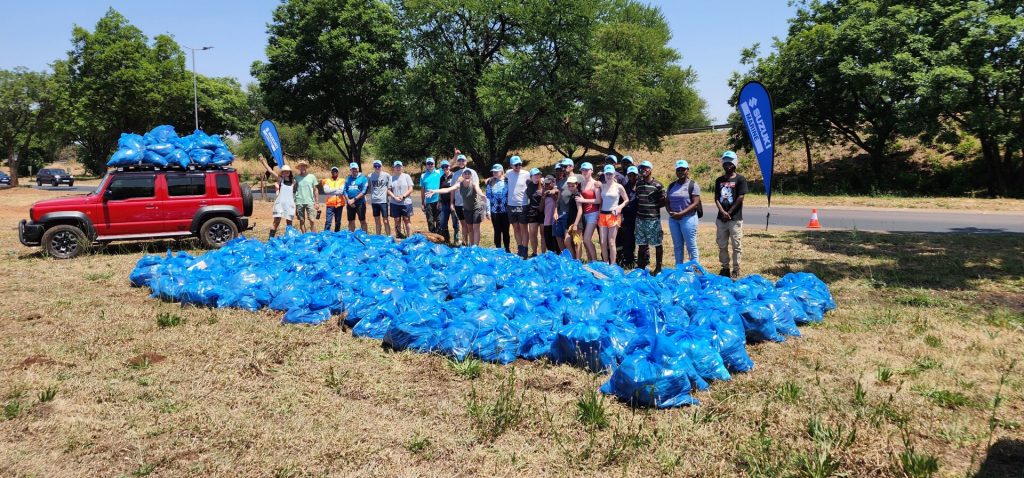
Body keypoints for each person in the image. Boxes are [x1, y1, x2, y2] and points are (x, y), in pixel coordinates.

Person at [428, 168, 486, 246]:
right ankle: (472, 247)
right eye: (465, 173)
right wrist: (435, 191)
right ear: (462, 176)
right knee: (470, 229)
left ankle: (476, 247)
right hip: (466, 209)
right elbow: (448, 189)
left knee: (475, 228)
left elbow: (478, 190)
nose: (467, 175)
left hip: (476, 208)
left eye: (469, 173)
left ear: (471, 176)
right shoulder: (459, 184)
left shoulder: (474, 184)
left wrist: (481, 195)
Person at [714, 151, 748, 278]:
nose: (727, 165)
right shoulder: (719, 180)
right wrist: (722, 212)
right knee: (722, 245)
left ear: (735, 163)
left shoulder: (740, 179)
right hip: (721, 219)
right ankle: (724, 268)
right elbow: (716, 198)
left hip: (735, 219)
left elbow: (740, 198)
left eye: (730, 163)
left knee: (736, 245)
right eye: (725, 162)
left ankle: (736, 269)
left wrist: (729, 212)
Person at [666, 159, 701, 267]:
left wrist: (681, 213)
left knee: (691, 246)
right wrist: (670, 212)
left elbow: (695, 203)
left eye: (683, 169)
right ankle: (679, 270)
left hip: (688, 219)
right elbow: (667, 201)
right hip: (674, 220)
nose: (681, 172)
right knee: (677, 246)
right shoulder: (671, 186)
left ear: (687, 170)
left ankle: (696, 272)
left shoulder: (693, 185)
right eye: (678, 170)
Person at [635, 160, 666, 275]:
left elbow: (663, 201)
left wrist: (653, 208)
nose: (643, 170)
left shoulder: (658, 185)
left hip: (653, 220)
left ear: (651, 170)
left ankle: (658, 267)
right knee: (641, 245)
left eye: (646, 168)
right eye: (642, 168)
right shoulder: (638, 184)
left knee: (657, 244)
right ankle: (641, 268)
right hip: (640, 220)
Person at [596, 165, 630, 265]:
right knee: (602, 242)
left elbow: (626, 200)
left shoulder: (619, 186)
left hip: (613, 216)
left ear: (614, 174)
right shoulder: (602, 186)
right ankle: (606, 263)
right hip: (603, 215)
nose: (608, 175)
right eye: (607, 173)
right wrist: (599, 211)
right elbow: (601, 200)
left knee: (611, 241)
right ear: (604, 174)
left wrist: (620, 207)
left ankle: (613, 264)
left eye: (610, 173)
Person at [259, 161, 295, 239]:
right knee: (276, 222)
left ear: (290, 173)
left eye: (287, 172)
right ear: (282, 173)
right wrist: (263, 162)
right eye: (284, 172)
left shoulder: (293, 182)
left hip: (289, 205)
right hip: (280, 205)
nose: (286, 173)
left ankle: (289, 239)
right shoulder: (280, 180)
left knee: (289, 223)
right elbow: (270, 170)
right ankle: (270, 239)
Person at [449, 154, 478, 246]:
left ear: (466, 161)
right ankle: (465, 243)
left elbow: (476, 186)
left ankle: (472, 244)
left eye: (463, 160)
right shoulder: (455, 174)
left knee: (471, 226)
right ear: (457, 162)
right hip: (458, 203)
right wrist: (451, 203)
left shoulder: (472, 172)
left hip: (470, 203)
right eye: (459, 160)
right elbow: (452, 189)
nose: (461, 162)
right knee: (464, 225)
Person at [505, 155, 531, 257]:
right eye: (516, 165)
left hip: (522, 204)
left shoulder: (526, 174)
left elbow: (535, 180)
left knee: (523, 228)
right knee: (515, 228)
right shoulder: (508, 173)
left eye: (520, 164)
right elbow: (501, 176)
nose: (518, 166)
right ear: (511, 165)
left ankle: (525, 249)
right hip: (511, 205)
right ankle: (519, 247)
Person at [574, 162, 600, 262]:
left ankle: (594, 261)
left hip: (593, 214)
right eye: (583, 170)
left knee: (587, 239)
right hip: (584, 214)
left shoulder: (595, 184)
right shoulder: (581, 184)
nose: (584, 172)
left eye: (586, 170)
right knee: (585, 241)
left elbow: (598, 200)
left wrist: (583, 200)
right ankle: (590, 261)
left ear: (591, 171)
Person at [616, 165, 640, 268]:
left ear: (637, 175)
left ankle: (643, 260)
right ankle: (628, 260)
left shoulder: (641, 186)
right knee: (628, 239)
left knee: (641, 240)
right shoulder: (625, 188)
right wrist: (621, 216)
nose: (632, 177)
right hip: (627, 217)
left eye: (634, 175)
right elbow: (621, 202)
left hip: (640, 217)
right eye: (630, 175)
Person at [555, 175, 582, 258]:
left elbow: (580, 210)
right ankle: (573, 259)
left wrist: (576, 224)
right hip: (569, 221)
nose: (570, 187)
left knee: (577, 242)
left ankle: (578, 261)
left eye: (572, 186)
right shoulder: (572, 194)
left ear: (576, 184)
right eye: (569, 185)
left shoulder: (577, 195)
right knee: (567, 241)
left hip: (576, 222)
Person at [485, 164, 510, 252]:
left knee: (506, 231)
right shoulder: (490, 182)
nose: (494, 173)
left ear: (502, 171)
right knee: (497, 231)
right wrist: (488, 210)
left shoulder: (508, 181)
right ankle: (498, 249)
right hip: (494, 211)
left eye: (496, 171)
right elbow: (488, 197)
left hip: (506, 210)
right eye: (493, 171)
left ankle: (507, 249)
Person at [387, 161, 414, 239]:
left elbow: (411, 188)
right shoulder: (391, 178)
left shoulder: (406, 176)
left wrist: (403, 196)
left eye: (399, 166)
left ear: (402, 167)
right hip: (395, 203)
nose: (398, 168)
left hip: (406, 202)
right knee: (397, 220)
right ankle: (399, 237)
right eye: (396, 166)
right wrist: (394, 197)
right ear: (394, 168)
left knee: (406, 220)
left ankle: (410, 238)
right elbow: (388, 190)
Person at [293, 160, 320, 233]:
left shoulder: (312, 177)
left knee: (312, 220)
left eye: (304, 166)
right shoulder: (296, 178)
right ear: (299, 168)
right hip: (299, 201)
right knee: (302, 221)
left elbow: (315, 190)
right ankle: (304, 236)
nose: (302, 168)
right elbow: (294, 190)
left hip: (310, 201)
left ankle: (314, 236)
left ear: (306, 167)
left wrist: (317, 202)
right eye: (301, 166)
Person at [437, 159, 459, 245]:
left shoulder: (454, 176)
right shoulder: (441, 178)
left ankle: (456, 240)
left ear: (449, 167)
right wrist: (439, 201)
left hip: (454, 203)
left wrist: (453, 203)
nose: (445, 168)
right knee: (443, 223)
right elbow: (440, 189)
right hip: (444, 204)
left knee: (455, 222)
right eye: (443, 167)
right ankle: (447, 240)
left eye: (446, 166)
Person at [367, 160, 392, 236]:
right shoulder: (370, 176)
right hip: (374, 201)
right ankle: (378, 236)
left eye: (378, 166)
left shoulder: (387, 175)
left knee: (385, 220)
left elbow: (389, 188)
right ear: (373, 167)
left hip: (383, 201)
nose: (377, 167)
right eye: (375, 166)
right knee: (377, 220)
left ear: (381, 166)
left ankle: (388, 237)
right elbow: (369, 188)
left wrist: (389, 196)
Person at [419, 157, 443, 235]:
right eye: (428, 164)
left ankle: (439, 237)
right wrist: (422, 202)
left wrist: (455, 156)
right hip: (428, 202)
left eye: (431, 163)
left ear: (434, 164)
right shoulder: (423, 176)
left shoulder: (438, 172)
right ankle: (432, 238)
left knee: (439, 220)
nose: (430, 165)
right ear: (426, 165)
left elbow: (450, 164)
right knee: (430, 220)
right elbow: (422, 190)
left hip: (438, 201)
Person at [344, 162, 368, 232]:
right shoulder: (348, 178)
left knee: (362, 220)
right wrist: (348, 200)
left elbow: (364, 191)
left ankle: (364, 237)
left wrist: (354, 200)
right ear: (350, 170)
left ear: (358, 169)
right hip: (350, 203)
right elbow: (344, 190)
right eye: (352, 169)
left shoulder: (363, 178)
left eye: (355, 168)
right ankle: (351, 236)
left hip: (360, 203)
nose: (354, 170)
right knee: (351, 221)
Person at [525, 168, 544, 256]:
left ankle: (543, 253)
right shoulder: (528, 184)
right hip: (532, 211)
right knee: (532, 233)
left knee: (543, 234)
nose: (537, 176)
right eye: (535, 175)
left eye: (538, 174)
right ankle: (534, 253)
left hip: (543, 211)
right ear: (531, 176)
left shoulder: (544, 184)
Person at [321, 166, 346, 232]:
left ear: (338, 173)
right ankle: (326, 235)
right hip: (330, 204)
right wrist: (337, 188)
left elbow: (341, 192)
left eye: (336, 171)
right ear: (331, 172)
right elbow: (326, 191)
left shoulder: (342, 180)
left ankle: (336, 235)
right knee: (328, 222)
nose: (334, 172)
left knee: (338, 222)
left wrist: (331, 190)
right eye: (333, 171)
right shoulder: (326, 181)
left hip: (339, 204)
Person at [541, 175, 560, 254]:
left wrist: (553, 194)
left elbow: (558, 199)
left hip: (555, 220)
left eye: (549, 184)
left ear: (553, 182)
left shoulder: (557, 191)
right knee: (548, 240)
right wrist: (543, 197)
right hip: (547, 221)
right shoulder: (544, 192)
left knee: (556, 241)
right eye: (546, 184)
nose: (547, 186)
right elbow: (540, 209)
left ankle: (558, 254)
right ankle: (551, 255)